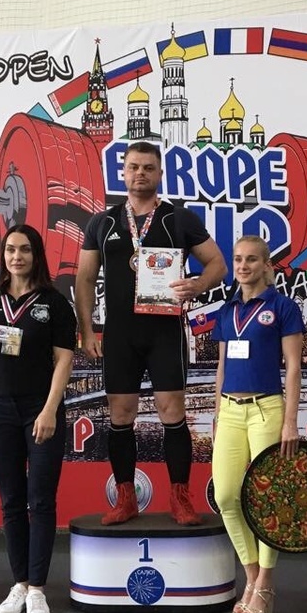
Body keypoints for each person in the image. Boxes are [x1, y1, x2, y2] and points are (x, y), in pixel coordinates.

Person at [75, 140, 228, 525]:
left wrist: (198, 285)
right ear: (123, 173)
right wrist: (87, 330)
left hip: (165, 332)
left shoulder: (179, 219)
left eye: (147, 167)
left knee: (172, 411)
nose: (140, 173)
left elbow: (218, 264)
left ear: (160, 173)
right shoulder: (103, 223)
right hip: (120, 334)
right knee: (120, 414)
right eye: (133, 167)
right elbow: (84, 278)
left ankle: (180, 498)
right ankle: (125, 498)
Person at [0, 224, 77, 613]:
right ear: (3, 255)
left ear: (36, 255)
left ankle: (38, 589)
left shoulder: (55, 303)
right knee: (11, 500)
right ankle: (19, 582)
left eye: (25, 250)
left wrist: (49, 409)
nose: (17, 256)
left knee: (41, 500)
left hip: (39, 409)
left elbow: (64, 359)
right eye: (11, 249)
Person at [211, 235, 304, 613]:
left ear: (267, 265)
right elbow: (221, 366)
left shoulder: (283, 307)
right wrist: (217, 413)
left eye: (251, 259)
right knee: (226, 495)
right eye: (238, 259)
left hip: (267, 409)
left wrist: (290, 421)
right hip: (230, 411)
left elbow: (294, 367)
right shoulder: (226, 310)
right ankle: (251, 575)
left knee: (266, 500)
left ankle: (265, 583)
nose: (243, 266)